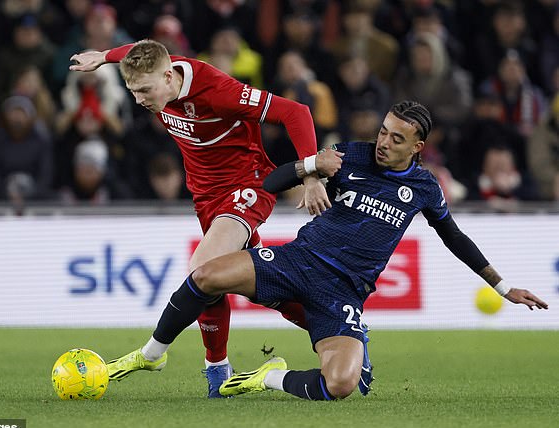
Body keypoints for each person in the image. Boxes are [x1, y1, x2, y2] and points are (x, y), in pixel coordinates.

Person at [102, 101, 548, 401]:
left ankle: (268, 376)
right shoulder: (348, 157)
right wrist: (310, 167)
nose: (383, 142)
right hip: (296, 263)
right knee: (205, 275)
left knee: (341, 385)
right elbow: (270, 183)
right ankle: (152, 354)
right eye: (383, 132)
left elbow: (454, 238)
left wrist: (503, 286)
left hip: (343, 292)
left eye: (396, 139)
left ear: (417, 147)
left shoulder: (425, 188)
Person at [69, 39, 332, 398]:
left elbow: (296, 112)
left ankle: (153, 354)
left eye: (145, 90)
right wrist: (103, 57)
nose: (140, 100)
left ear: (167, 76)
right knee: (251, 285)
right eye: (132, 91)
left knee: (202, 268)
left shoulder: (218, 90)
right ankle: (333, 329)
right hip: (206, 196)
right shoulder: (156, 75)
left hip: (247, 183)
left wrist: (311, 175)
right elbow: (142, 51)